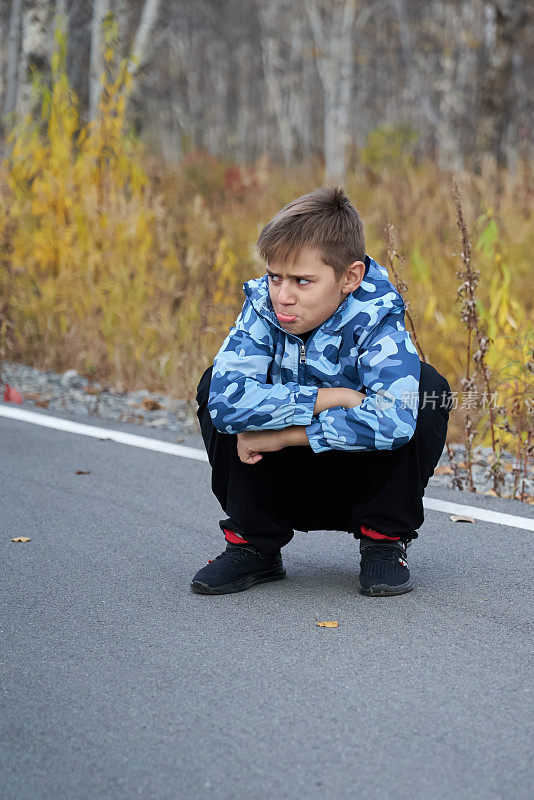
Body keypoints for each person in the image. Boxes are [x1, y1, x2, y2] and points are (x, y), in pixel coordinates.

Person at [191, 185, 452, 597]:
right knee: (211, 383)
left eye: (302, 281)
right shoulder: (263, 307)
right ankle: (253, 544)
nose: (284, 295)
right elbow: (226, 402)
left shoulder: (377, 316)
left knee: (426, 389)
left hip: (353, 474)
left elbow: (395, 420)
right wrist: (333, 397)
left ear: (350, 277)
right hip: (277, 476)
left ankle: (383, 540)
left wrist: (280, 436)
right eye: (275, 276)